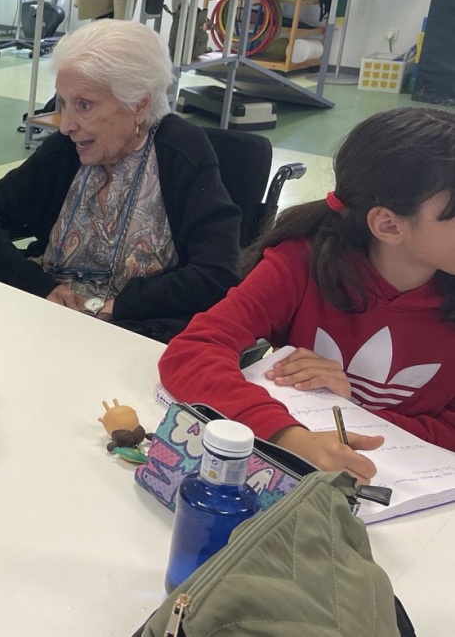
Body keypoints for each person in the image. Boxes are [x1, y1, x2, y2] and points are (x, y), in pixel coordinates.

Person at [160, 107, 455, 482]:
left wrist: (352, 410)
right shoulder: (301, 262)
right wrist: (288, 437)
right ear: (388, 224)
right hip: (306, 489)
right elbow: (193, 350)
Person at [0, 19, 241, 341]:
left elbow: (217, 272)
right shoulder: (65, 150)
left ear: (139, 103)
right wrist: (40, 286)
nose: (66, 126)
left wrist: (119, 306)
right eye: (63, 103)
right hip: (43, 315)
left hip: (137, 329)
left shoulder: (181, 152)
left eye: (84, 105)